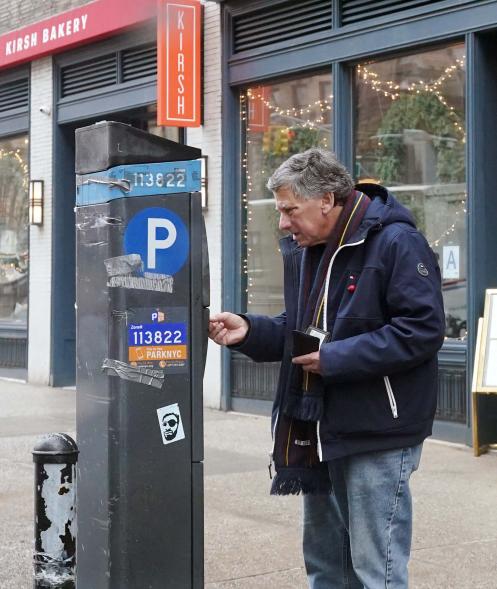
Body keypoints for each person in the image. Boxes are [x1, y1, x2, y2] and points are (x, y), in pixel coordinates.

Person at [209, 148, 445, 588]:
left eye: (289, 210)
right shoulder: (313, 248)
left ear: (327, 200)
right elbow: (302, 329)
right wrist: (249, 331)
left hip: (378, 431)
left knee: (379, 571)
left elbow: (423, 330)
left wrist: (335, 358)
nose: (282, 223)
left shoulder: (396, 242)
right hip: (321, 429)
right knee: (327, 565)